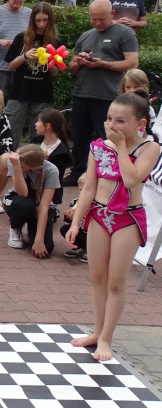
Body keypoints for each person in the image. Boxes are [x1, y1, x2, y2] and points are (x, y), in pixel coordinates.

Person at [66, 94, 160, 361]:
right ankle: (97, 332)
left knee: (116, 281)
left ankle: (107, 337)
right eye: (109, 118)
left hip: (127, 218)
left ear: (140, 123)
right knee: (97, 278)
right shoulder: (98, 146)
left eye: (121, 121)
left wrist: (120, 146)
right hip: (99, 214)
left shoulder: (149, 149)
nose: (112, 125)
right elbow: (89, 189)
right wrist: (76, 222)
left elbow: (131, 180)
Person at [65, 0, 139, 185]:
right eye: (94, 19)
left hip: (108, 95)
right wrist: (79, 61)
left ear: (112, 14)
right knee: (79, 136)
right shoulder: (86, 35)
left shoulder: (125, 34)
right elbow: (71, 67)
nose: (97, 23)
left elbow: (132, 63)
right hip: (82, 93)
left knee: (105, 137)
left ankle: (104, 174)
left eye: (101, 19)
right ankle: (78, 172)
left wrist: (103, 64)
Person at [4, 2, 60, 145]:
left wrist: (48, 60)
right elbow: (10, 66)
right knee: (11, 133)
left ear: (50, 20)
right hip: (19, 92)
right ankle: (9, 164)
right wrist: (25, 56)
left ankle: (34, 165)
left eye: (45, 20)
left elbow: (54, 73)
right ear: (32, 21)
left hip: (42, 93)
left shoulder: (54, 40)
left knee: (39, 136)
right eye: (38, 20)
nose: (41, 24)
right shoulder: (22, 38)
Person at [4, 145, 60, 258]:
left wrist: (39, 240)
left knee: (46, 249)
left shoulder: (51, 170)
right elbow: (22, 193)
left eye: (22, 163)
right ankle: (16, 228)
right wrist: (17, 167)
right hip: (20, 199)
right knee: (22, 205)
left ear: (33, 167)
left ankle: (32, 227)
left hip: (40, 202)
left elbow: (44, 206)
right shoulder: (14, 162)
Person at [31, 108, 73, 183]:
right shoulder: (36, 141)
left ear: (47, 126)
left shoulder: (61, 152)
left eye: (39, 121)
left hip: (50, 190)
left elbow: (53, 178)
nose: (36, 124)